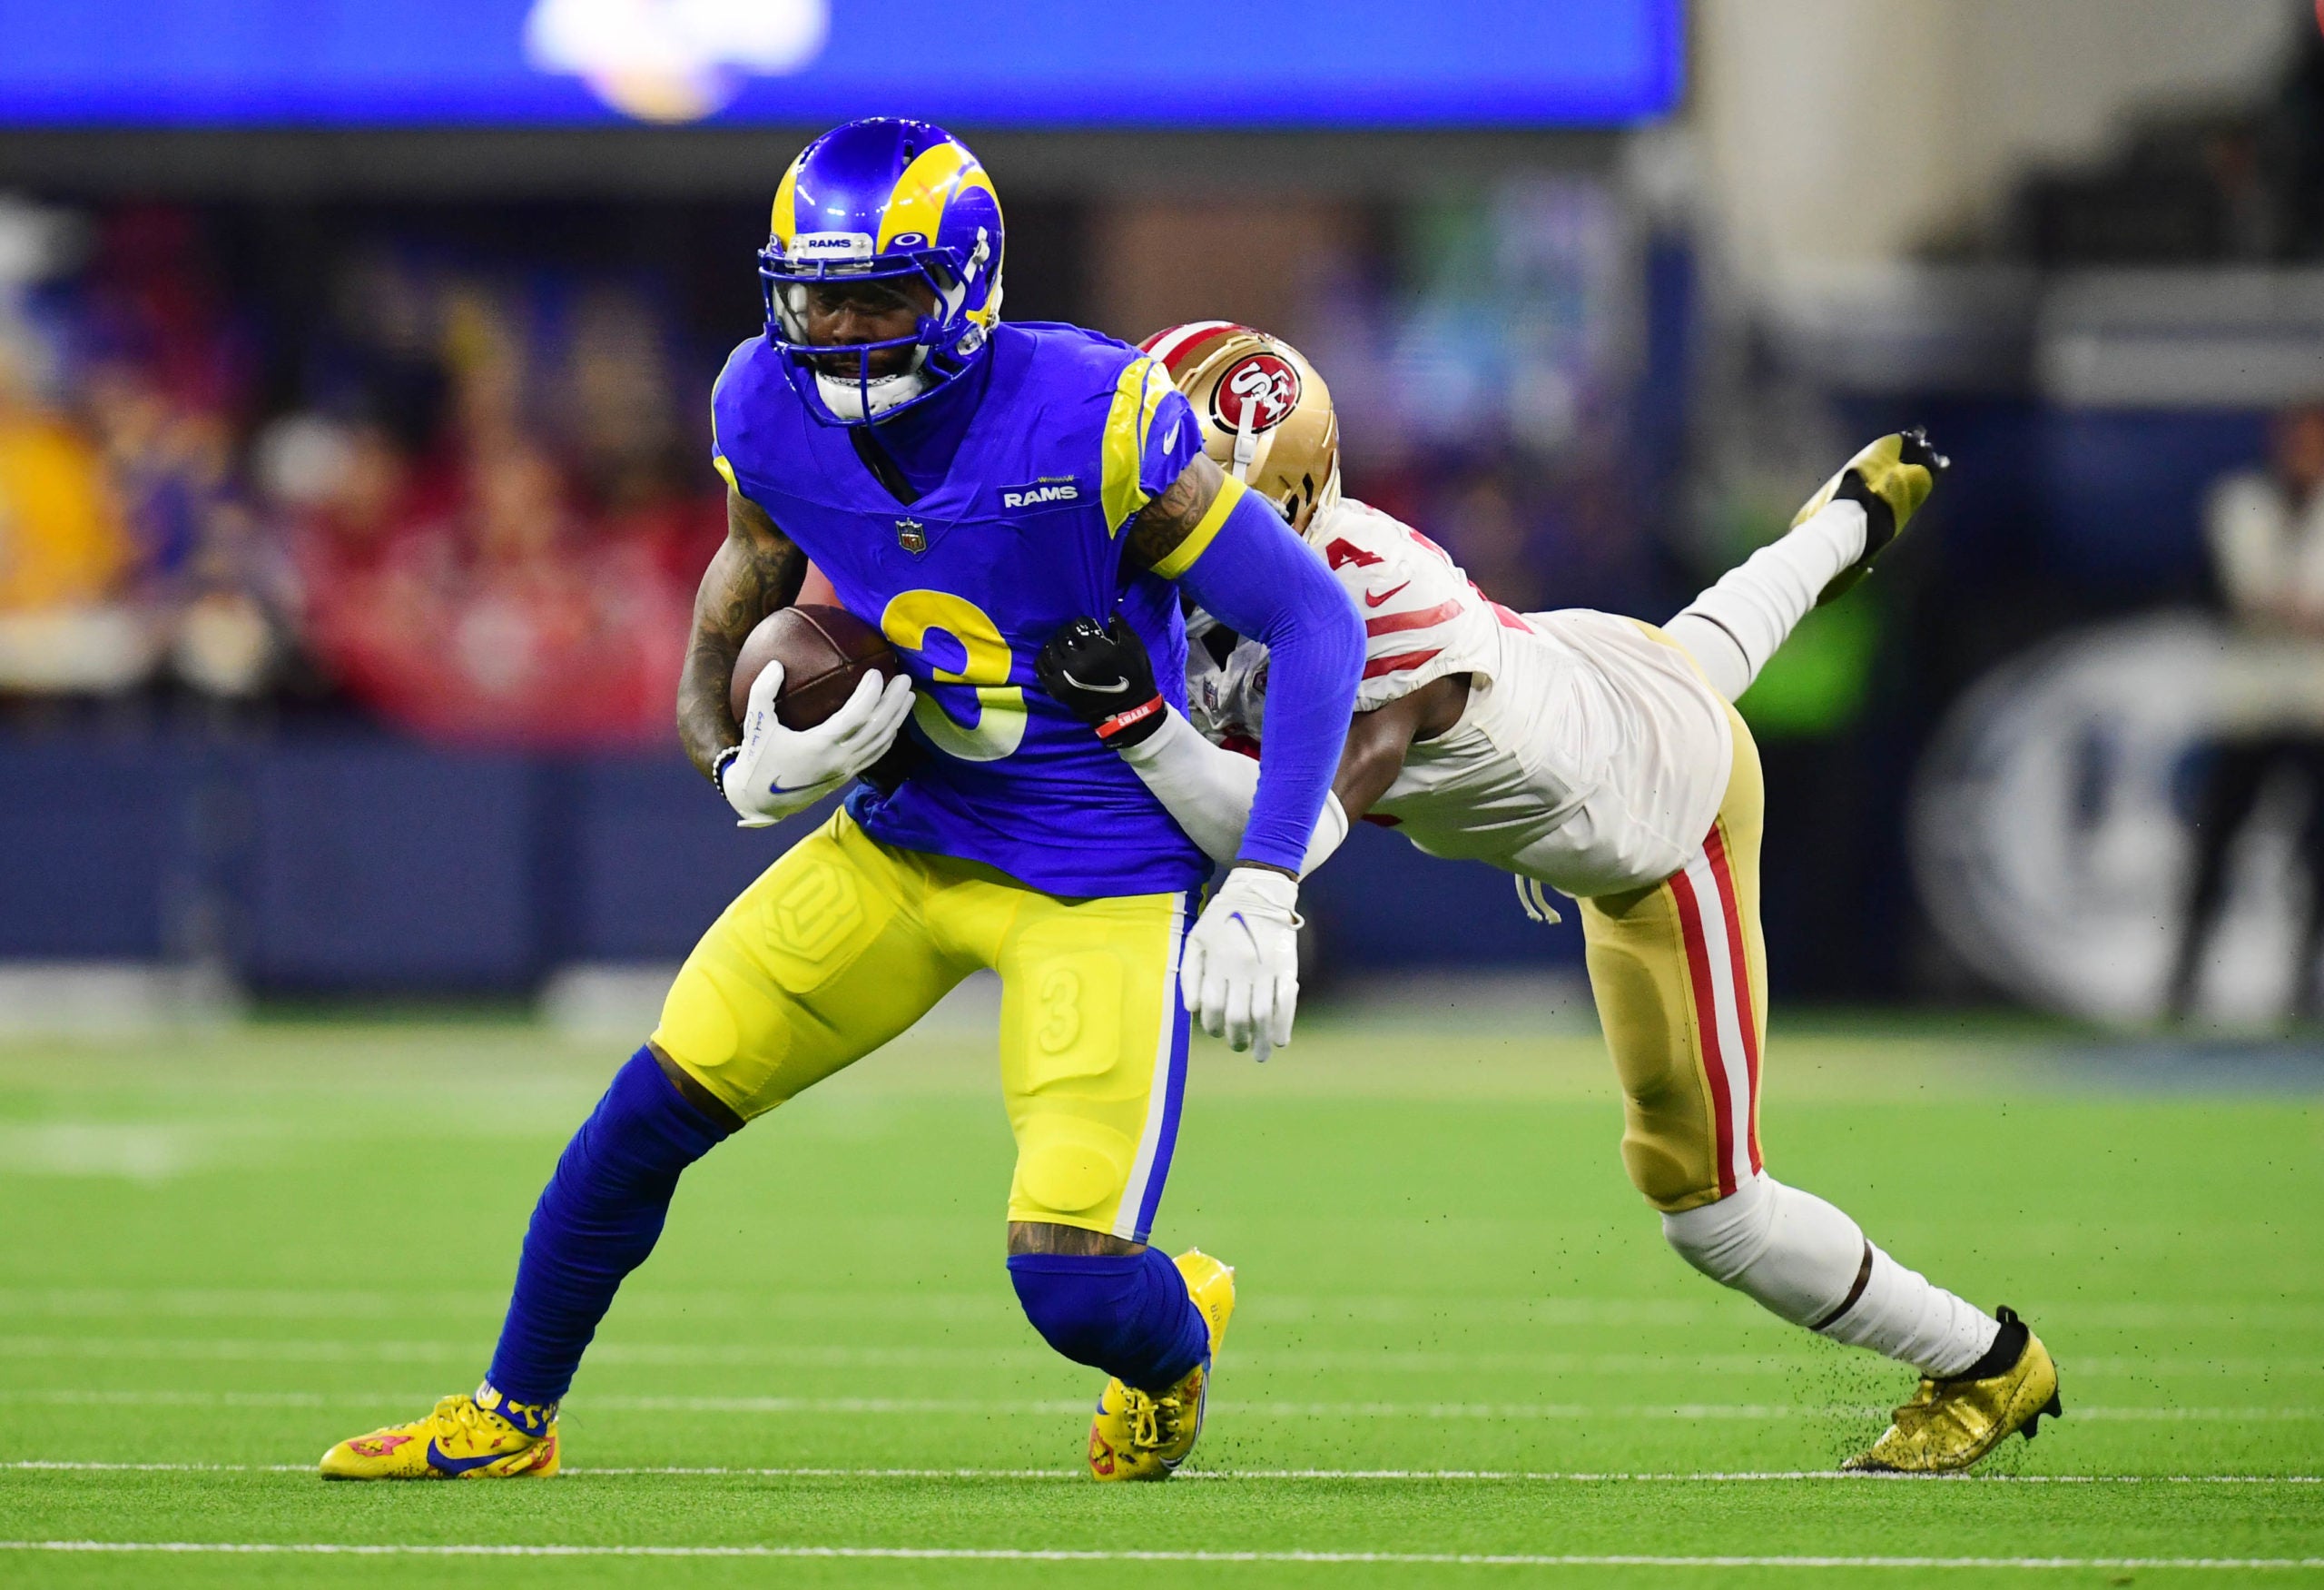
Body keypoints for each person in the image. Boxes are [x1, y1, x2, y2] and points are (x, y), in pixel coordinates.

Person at [318, 124, 1363, 1484]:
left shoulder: (1097, 419)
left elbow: (1313, 618)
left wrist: (1268, 876)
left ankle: (1176, 1341)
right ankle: (510, 1413)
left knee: (1072, 1285)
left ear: (966, 286)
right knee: (643, 1112)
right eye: (821, 296)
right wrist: (729, 762)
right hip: (900, 842)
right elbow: (742, 582)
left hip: (1093, 873)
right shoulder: (763, 400)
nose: (844, 330)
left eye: (882, 296)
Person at [1035, 322, 2061, 1475]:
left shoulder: (1367, 619)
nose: (1155, 514)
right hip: (1584, 665)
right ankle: (1851, 514)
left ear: (1284, 497)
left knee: (1710, 1208)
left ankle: (1985, 1356)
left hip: (1666, 818)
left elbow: (1287, 831)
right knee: (1693, 654)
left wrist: (1140, 728)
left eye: (1183, 492)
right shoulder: (1252, 557)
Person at [2167, 400, 2324, 1022]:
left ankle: (2302, 991)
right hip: (2249, 702)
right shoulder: (2240, 501)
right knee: (2216, 846)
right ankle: (2182, 984)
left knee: (2315, 858)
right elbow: (2215, 590)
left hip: (2315, 708)